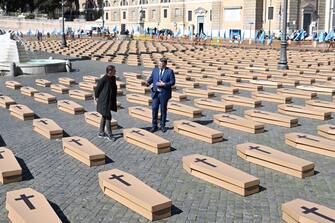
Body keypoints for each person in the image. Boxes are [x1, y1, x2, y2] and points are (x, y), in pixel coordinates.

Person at [146, 58, 175, 133]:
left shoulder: (170, 71)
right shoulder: (155, 70)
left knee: (163, 109)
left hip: (164, 94)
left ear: (165, 64)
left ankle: (162, 126)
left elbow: (173, 82)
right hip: (155, 93)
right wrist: (148, 83)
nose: (160, 66)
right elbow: (152, 78)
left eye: (161, 65)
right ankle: (154, 126)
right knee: (154, 108)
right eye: (159, 64)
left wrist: (164, 84)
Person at [95, 65, 118, 141]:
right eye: (114, 70)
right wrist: (96, 97)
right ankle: (109, 134)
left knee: (104, 116)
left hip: (109, 100)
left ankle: (101, 132)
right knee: (108, 116)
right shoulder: (103, 79)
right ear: (110, 71)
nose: (115, 71)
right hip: (104, 101)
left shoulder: (113, 78)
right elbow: (97, 89)